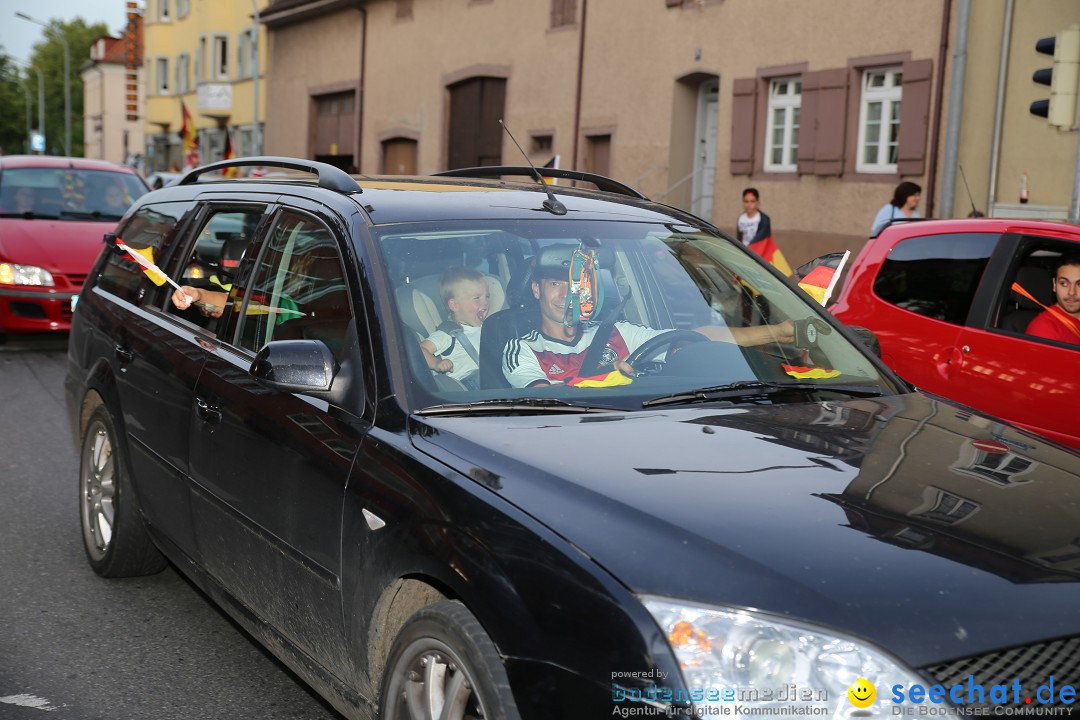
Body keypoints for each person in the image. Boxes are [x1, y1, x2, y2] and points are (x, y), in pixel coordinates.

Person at [503, 246, 795, 388]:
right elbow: (543, 403)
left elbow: (699, 339)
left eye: (576, 284)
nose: (568, 294)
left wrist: (778, 332)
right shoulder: (522, 350)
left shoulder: (616, 332)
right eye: (556, 284)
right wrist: (609, 378)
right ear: (536, 290)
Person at [420, 267, 490, 390]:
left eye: (487, 296)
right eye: (477, 298)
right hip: (469, 384)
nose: (485, 302)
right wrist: (437, 363)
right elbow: (421, 350)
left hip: (490, 377)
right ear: (454, 305)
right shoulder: (449, 333)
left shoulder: (488, 327)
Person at [1025, 255, 1080, 346]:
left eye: (1079, 284)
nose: (1071, 292)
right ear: (1054, 285)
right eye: (1064, 283)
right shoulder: (1044, 328)